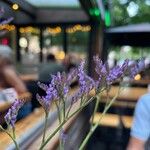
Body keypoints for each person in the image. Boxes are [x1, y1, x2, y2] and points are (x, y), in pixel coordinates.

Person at [0, 45, 31, 119]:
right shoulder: (5, 70)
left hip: (21, 110)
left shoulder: (7, 71)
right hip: (12, 109)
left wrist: (3, 91)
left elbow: (23, 91)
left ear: (4, 58)